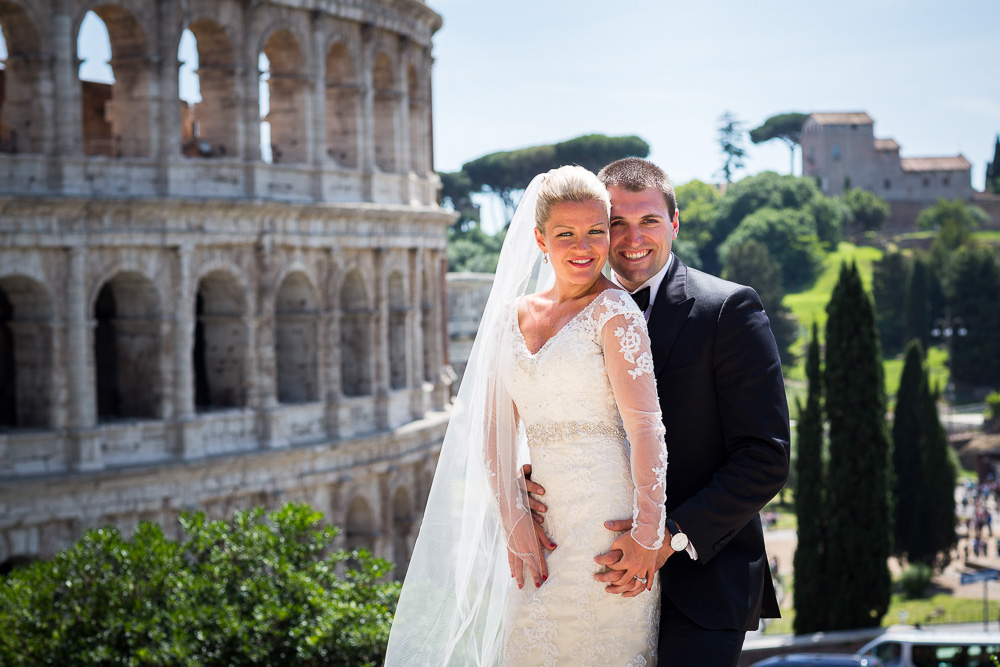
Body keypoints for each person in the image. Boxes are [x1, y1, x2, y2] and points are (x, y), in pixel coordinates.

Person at [385, 165, 668, 666]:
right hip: (538, 529)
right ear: (540, 239)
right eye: (566, 234)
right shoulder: (510, 317)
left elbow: (646, 429)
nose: (583, 247)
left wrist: (647, 533)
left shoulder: (616, 313)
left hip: (608, 527)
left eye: (595, 232)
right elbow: (493, 426)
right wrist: (514, 520)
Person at [529, 158, 790, 666]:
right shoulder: (562, 318)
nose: (632, 238)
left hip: (699, 585)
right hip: (588, 574)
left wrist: (665, 536)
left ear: (674, 222)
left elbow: (765, 458)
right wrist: (532, 474)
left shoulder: (729, 310)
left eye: (648, 220)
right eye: (616, 224)